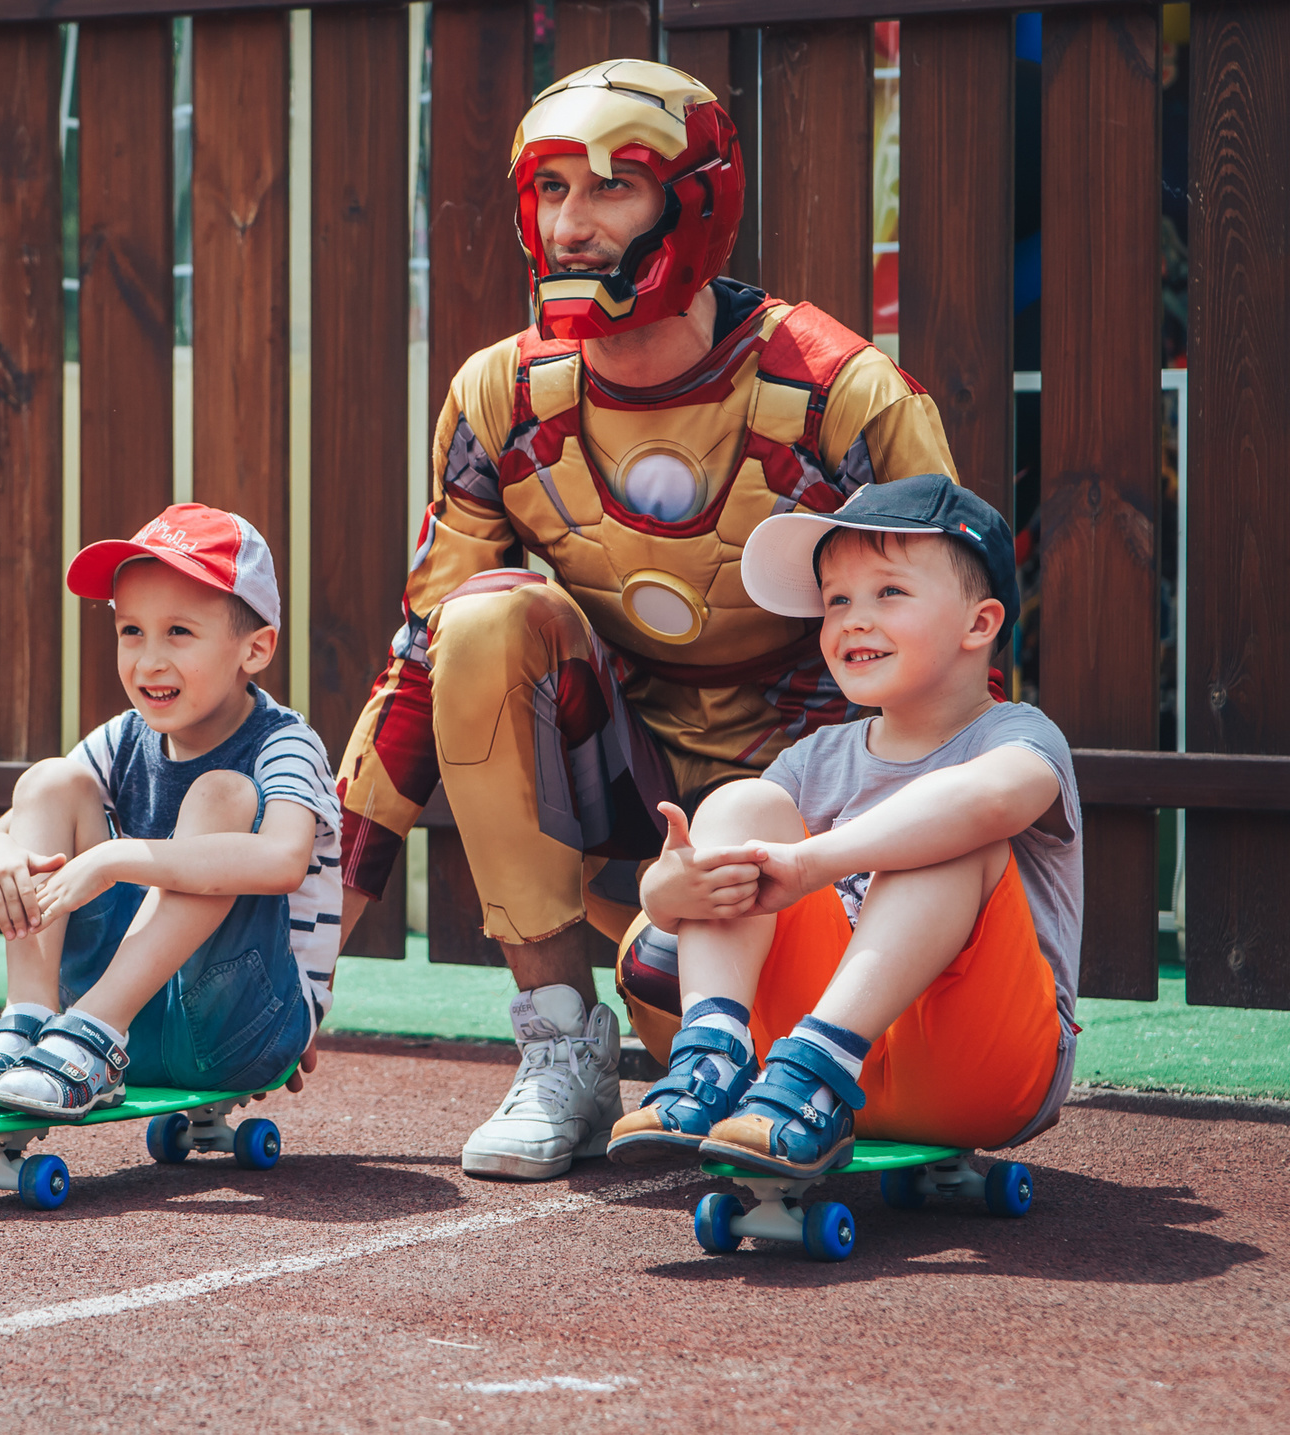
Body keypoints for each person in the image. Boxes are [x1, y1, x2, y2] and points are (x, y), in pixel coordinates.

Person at [335, 58, 960, 1180]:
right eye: (550, 190)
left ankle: (744, 1011)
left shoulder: (840, 394)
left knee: (707, 1033)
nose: (571, 225)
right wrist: (307, 932)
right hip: (626, 775)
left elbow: (955, 667)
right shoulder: (504, 395)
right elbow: (420, 666)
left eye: (613, 187)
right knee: (476, 624)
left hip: (806, 791)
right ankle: (560, 1048)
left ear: (693, 204)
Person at [606, 476, 1080, 1171]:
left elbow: (992, 802)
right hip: (791, 1074)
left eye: (889, 592)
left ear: (979, 624)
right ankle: (711, 1059)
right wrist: (665, 896)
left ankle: (817, 1062)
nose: (854, 618)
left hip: (980, 1066)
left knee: (946, 838)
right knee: (741, 808)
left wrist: (810, 864)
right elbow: (720, 882)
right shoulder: (813, 760)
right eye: (837, 600)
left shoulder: (1018, 736)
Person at [0, 505, 339, 1118]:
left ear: (254, 650)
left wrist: (118, 858)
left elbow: (282, 860)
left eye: (179, 632)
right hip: (119, 1022)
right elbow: (3, 832)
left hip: (243, 1023)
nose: (148, 660)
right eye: (131, 631)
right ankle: (29, 1019)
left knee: (219, 793)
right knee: (50, 780)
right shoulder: (123, 738)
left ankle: (94, 1026)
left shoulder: (282, 743)